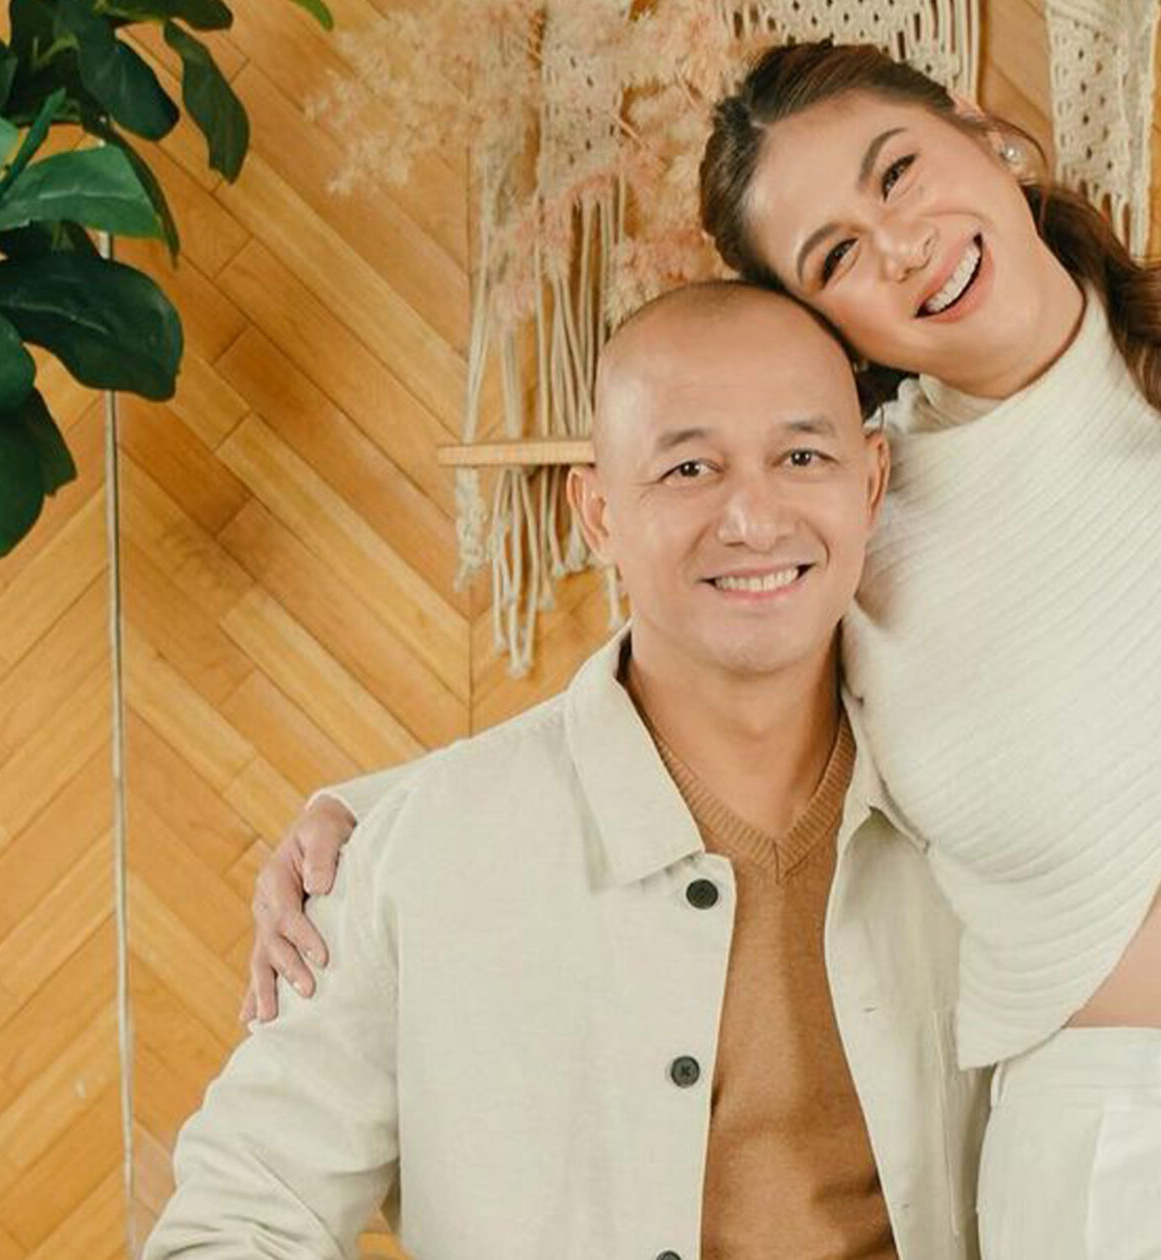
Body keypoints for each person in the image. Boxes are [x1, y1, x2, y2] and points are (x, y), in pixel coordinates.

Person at [248, 41, 1161, 1260]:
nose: (899, 247)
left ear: (987, 138)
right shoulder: (870, 508)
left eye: (897, 173)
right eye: (836, 257)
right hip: (1160, 1161)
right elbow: (668, 696)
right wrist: (365, 824)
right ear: (832, 328)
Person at [148, 283, 983, 1258]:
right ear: (597, 512)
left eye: (802, 457)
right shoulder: (420, 855)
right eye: (689, 468)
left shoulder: (984, 822)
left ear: (871, 483)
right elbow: (236, 1217)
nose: (753, 518)